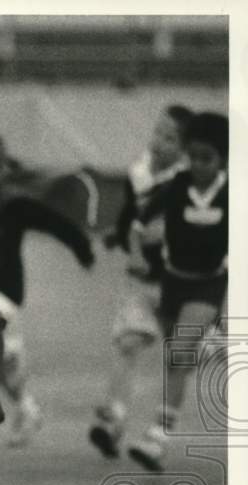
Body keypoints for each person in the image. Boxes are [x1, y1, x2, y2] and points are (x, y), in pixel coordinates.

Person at [0, 134, 95, 446]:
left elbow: (54, 222)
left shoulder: (12, 202)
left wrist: (82, 248)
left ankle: (10, 355)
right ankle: (26, 407)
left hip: (3, 291)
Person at [125, 112, 228, 471]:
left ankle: (157, 436)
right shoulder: (175, 187)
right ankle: (215, 343)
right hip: (173, 282)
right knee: (180, 357)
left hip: (209, 283)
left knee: (179, 350)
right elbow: (139, 227)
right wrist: (137, 254)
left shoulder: (231, 193)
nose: (198, 165)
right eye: (194, 156)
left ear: (223, 160)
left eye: (208, 158)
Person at [88, 105, 193, 457]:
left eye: (170, 138)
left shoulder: (189, 181)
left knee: (178, 356)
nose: (159, 142)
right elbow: (131, 216)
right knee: (128, 342)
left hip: (182, 282)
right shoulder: (139, 172)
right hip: (144, 279)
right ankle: (113, 418)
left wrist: (154, 236)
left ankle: (158, 435)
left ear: (186, 148)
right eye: (158, 132)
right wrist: (117, 236)